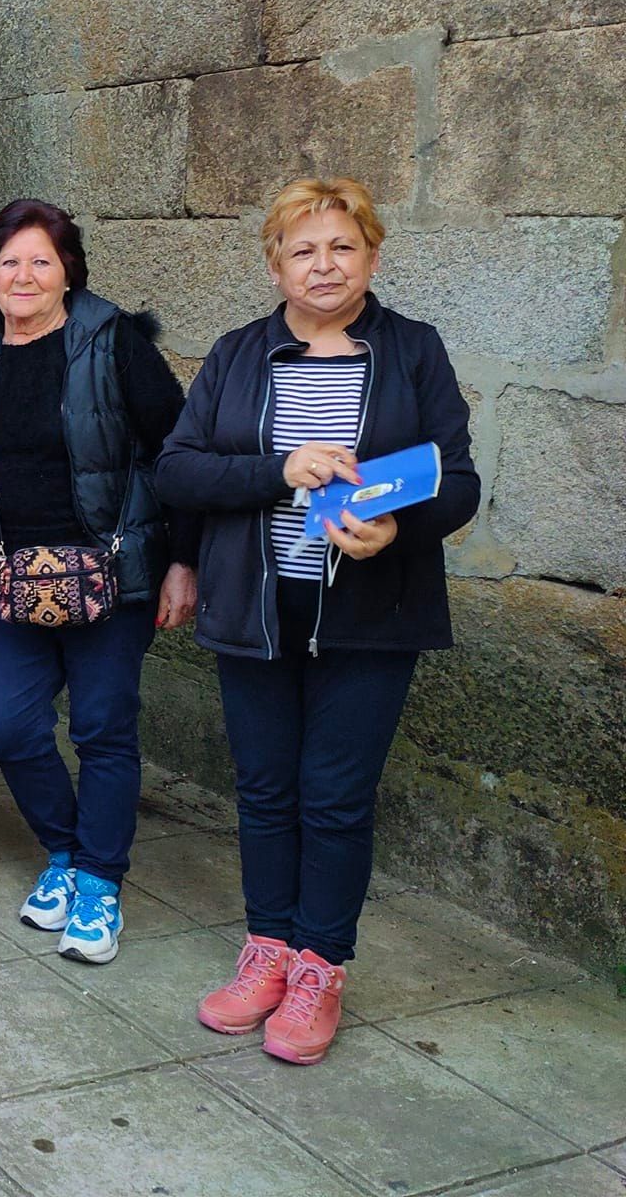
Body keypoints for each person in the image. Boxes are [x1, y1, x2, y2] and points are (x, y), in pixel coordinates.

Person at [158, 177, 478, 1066]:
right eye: (304, 249)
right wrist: (278, 466)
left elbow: (458, 482)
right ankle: (266, 953)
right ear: (276, 263)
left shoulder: (413, 352)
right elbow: (179, 471)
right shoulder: (237, 355)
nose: (324, 264)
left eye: (342, 246)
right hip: (257, 609)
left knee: (335, 800)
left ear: (372, 256)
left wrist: (396, 527)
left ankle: (319, 969)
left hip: (372, 615)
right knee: (264, 792)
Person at [0, 200, 198, 967]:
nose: (24, 275)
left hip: (112, 579)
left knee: (103, 729)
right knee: (11, 726)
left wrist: (185, 559)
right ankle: (66, 853)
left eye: (41, 260)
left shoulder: (112, 344)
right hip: (13, 582)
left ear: (69, 271)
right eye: (9, 261)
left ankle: (101, 882)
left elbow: (177, 454)